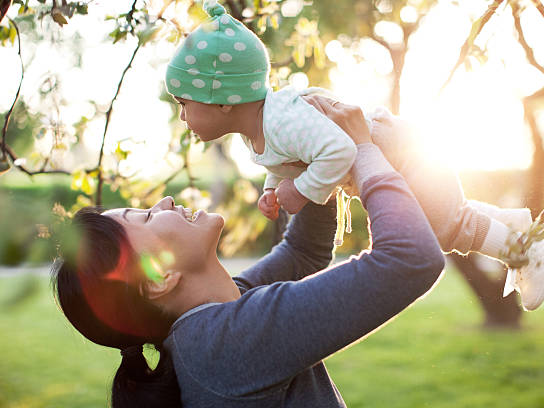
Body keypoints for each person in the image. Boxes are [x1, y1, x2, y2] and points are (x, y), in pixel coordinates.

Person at [164, 0, 544, 310]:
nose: (182, 116)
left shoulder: (280, 119)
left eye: (184, 103)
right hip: (394, 152)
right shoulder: (260, 131)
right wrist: (274, 189)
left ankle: (528, 255)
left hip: (398, 151)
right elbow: (286, 160)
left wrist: (300, 192)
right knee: (449, 213)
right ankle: (513, 223)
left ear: (223, 101)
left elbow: (339, 149)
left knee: (445, 227)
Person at [51, 99, 446, 407]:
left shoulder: (210, 322)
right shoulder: (227, 343)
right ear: (159, 278)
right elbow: (409, 259)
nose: (167, 201)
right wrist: (361, 149)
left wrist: (313, 162)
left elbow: (302, 252)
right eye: (148, 218)